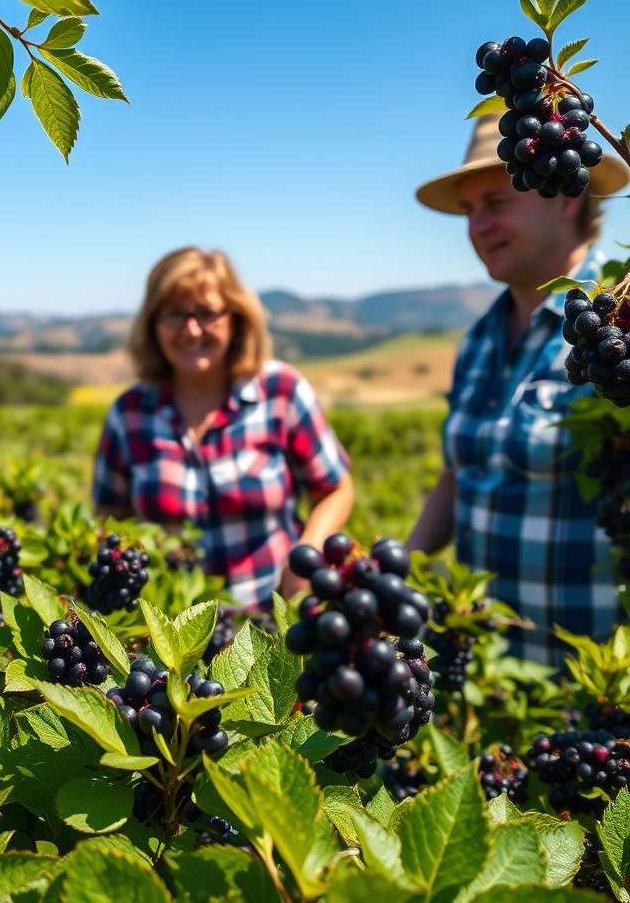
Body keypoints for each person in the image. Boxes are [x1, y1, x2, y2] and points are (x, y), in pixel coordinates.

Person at [407, 113, 630, 666]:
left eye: (496, 201)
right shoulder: (478, 341)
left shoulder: (619, 330)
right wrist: (395, 568)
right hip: (491, 673)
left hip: (593, 685)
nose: (476, 226)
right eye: (468, 209)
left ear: (565, 192)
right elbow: (461, 474)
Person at [92, 246, 353, 608]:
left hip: (272, 622)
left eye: (207, 313)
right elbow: (109, 519)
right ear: (153, 324)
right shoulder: (129, 413)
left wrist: (306, 555)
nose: (191, 328)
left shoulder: (281, 391)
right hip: (167, 636)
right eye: (174, 314)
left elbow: (335, 489)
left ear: (236, 318)